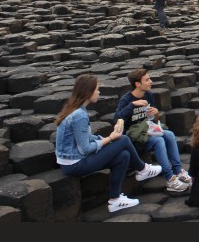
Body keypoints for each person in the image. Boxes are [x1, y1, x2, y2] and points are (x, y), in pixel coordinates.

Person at [55, 74, 162, 213]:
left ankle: (115, 200)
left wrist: (105, 138)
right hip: (74, 164)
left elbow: (84, 137)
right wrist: (110, 138)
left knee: (123, 155)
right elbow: (86, 149)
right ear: (88, 92)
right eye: (97, 89)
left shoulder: (75, 108)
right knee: (123, 139)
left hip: (69, 161)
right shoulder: (79, 115)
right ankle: (142, 169)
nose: (99, 92)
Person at [114, 68, 190, 193]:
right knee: (158, 141)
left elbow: (152, 118)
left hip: (147, 131)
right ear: (138, 84)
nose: (151, 82)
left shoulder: (148, 95)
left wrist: (155, 114)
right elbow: (116, 119)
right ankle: (170, 179)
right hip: (133, 137)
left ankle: (178, 171)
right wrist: (132, 106)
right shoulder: (126, 100)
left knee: (169, 134)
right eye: (147, 80)